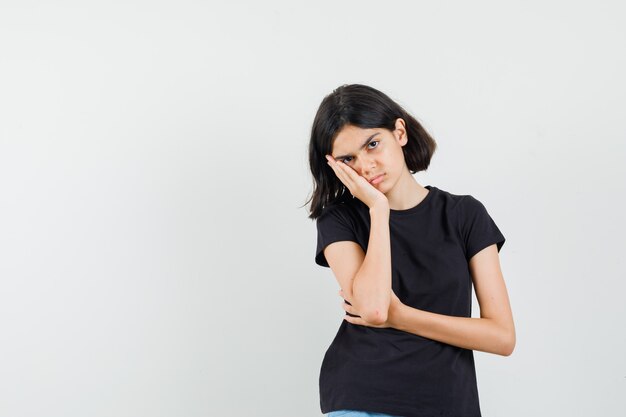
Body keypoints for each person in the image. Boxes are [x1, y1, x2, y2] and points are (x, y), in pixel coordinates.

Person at [306, 84, 516, 417]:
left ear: (399, 132)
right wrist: (378, 209)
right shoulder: (339, 220)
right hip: (362, 396)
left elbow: (502, 336)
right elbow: (374, 310)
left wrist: (402, 316)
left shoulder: (464, 215)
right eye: (349, 159)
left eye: (373, 144)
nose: (365, 166)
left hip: (448, 401)